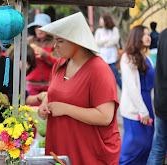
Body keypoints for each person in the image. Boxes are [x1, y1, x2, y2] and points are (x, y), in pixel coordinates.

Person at [38, 12, 121, 165]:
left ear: (77, 42)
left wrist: (65, 109)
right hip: (62, 145)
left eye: (60, 41)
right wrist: (44, 104)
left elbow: (105, 117)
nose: (55, 46)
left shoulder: (99, 70)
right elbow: (53, 92)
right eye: (55, 41)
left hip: (89, 152)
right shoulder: (60, 64)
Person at [119, 25, 155, 165]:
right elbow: (132, 87)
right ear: (136, 37)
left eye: (149, 34)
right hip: (135, 109)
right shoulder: (127, 58)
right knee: (133, 148)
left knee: (147, 146)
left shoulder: (148, 58)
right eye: (144, 34)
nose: (148, 37)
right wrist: (143, 111)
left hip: (148, 106)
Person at [26, 13, 57, 106]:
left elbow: (59, 62)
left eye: (41, 26)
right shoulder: (28, 41)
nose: (38, 30)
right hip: (32, 84)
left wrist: (44, 54)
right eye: (36, 27)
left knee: (49, 111)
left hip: (50, 84)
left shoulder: (55, 42)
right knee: (33, 114)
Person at [147, 28, 167, 165]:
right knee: (159, 146)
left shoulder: (164, 34)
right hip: (162, 102)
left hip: (161, 100)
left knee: (158, 146)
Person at [95, 13, 122, 89]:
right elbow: (96, 42)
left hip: (112, 58)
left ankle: (124, 93)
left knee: (116, 78)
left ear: (106, 20)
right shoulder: (98, 31)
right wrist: (106, 40)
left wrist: (104, 44)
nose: (100, 22)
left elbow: (115, 41)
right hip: (102, 59)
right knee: (102, 79)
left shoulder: (114, 29)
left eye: (101, 20)